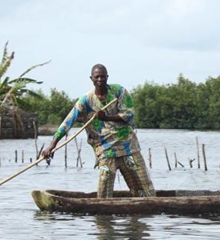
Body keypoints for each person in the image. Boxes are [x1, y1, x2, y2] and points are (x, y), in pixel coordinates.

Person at [40, 64, 155, 198]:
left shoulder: (119, 92)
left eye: (102, 76)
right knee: (104, 192)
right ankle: (103, 217)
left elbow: (129, 115)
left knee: (144, 187)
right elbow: (67, 122)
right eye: (97, 77)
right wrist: (52, 145)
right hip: (106, 150)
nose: (100, 79)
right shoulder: (85, 101)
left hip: (128, 147)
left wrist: (106, 117)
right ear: (92, 79)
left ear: (107, 77)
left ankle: (146, 210)